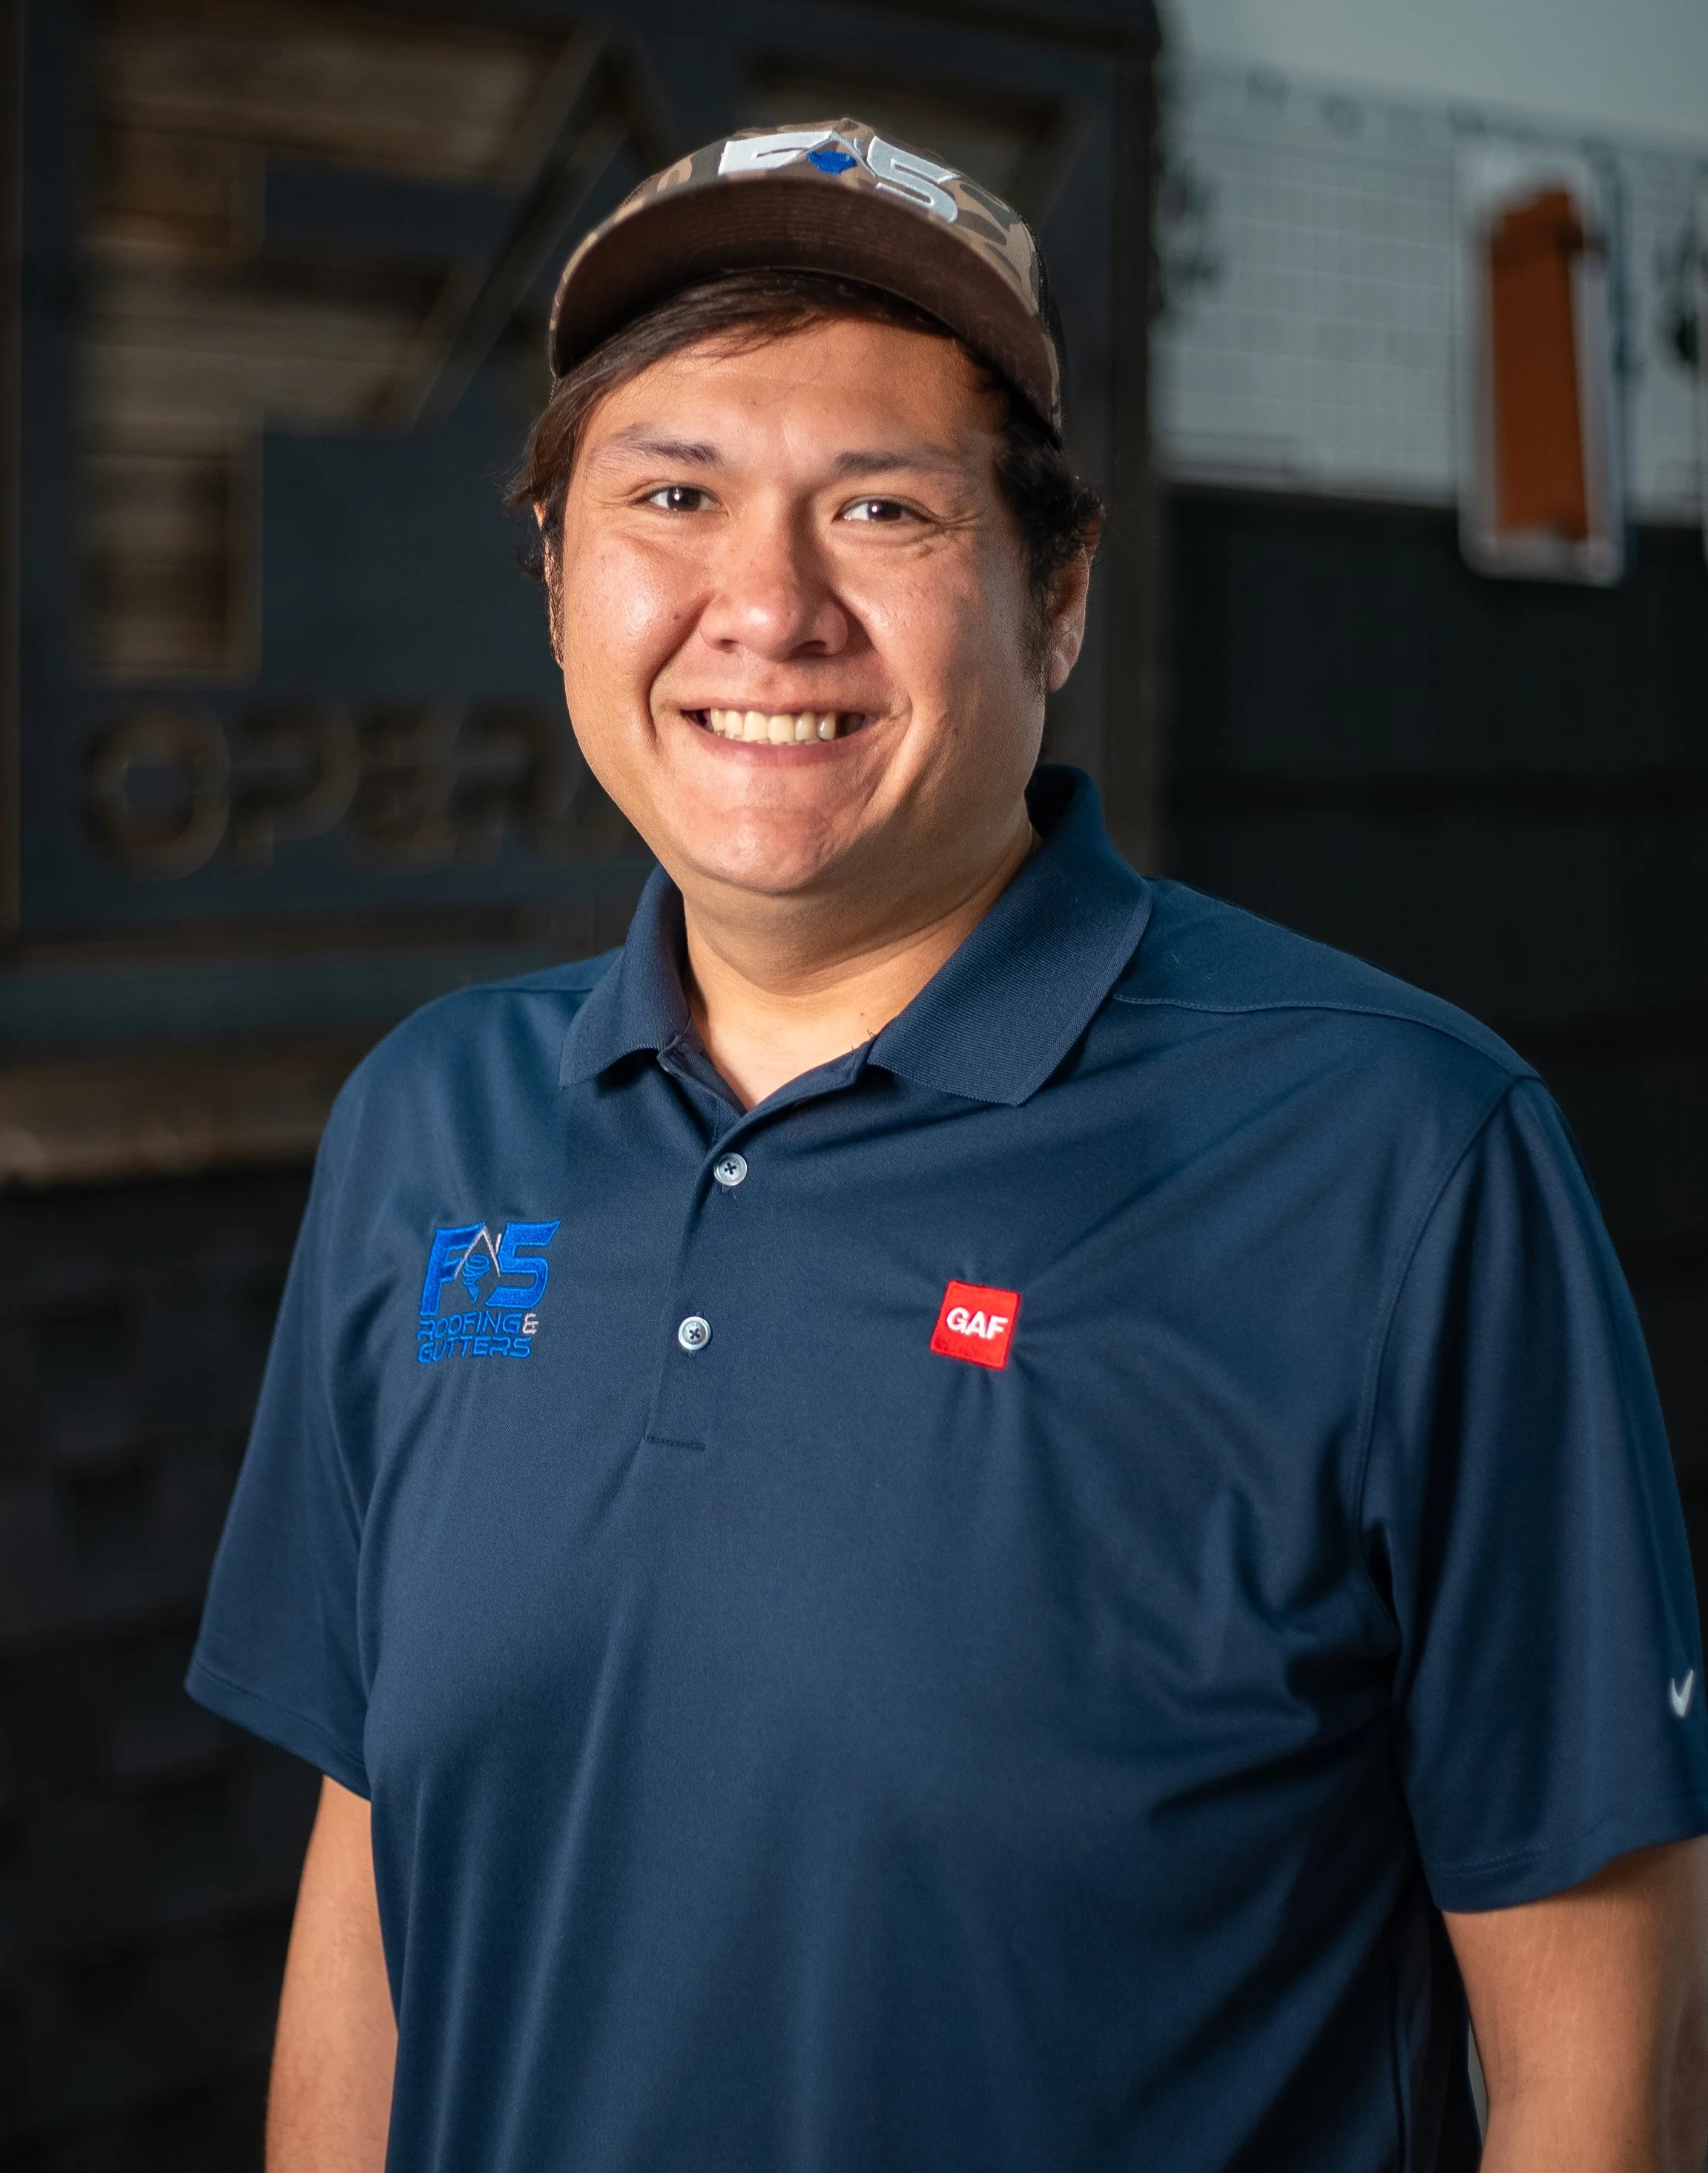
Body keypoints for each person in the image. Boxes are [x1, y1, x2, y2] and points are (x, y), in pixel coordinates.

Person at [189, 119, 1708, 2173]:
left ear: (1055, 593)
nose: (767, 605)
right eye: (673, 496)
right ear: (557, 576)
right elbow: (379, 1881)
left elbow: (1597, 2056)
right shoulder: (426, 1129)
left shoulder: (1396, 1159)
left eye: (881, 509)